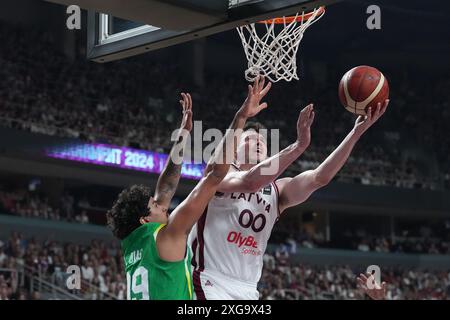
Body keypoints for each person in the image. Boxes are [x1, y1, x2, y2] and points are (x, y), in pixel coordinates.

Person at [189, 76, 389, 299]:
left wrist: (355, 133)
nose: (258, 143)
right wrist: (298, 146)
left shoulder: (277, 190)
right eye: (249, 140)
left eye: (262, 142)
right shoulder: (218, 175)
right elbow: (250, 182)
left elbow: (319, 178)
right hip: (208, 279)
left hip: (248, 288)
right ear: (234, 150)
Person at [107, 83, 269, 300]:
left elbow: (165, 187)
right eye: (155, 205)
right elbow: (214, 177)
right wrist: (240, 118)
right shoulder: (169, 234)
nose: (162, 204)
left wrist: (182, 135)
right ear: (145, 220)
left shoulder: (132, 245)